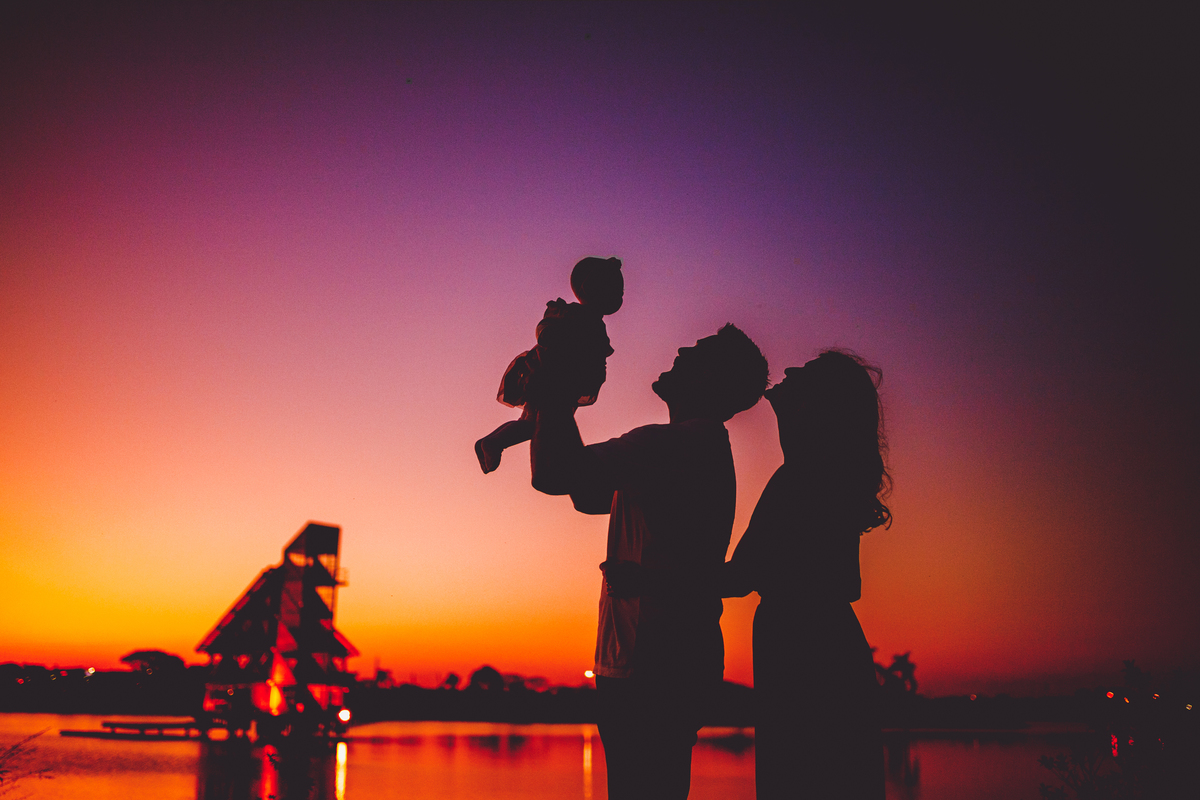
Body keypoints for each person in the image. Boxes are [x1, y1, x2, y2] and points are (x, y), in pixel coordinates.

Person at [605, 349, 889, 799]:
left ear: (817, 407)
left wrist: (647, 581)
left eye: (805, 374)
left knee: (805, 776)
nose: (791, 369)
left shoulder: (801, 480)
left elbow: (740, 577)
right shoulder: (816, 476)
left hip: (804, 649)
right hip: (817, 641)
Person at [531, 324, 769, 800]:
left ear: (711, 381)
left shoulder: (672, 445)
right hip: (665, 660)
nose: (681, 346)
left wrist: (556, 380)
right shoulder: (693, 447)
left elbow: (554, 474)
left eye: (696, 351)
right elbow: (584, 491)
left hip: (650, 664)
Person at [474, 256, 623, 474]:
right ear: (592, 287)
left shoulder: (594, 323)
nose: (619, 296)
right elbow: (546, 330)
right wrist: (560, 345)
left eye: (621, 291)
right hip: (552, 377)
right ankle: (494, 442)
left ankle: (493, 442)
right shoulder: (573, 314)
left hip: (568, 382)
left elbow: (596, 353)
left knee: (535, 422)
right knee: (538, 422)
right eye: (614, 289)